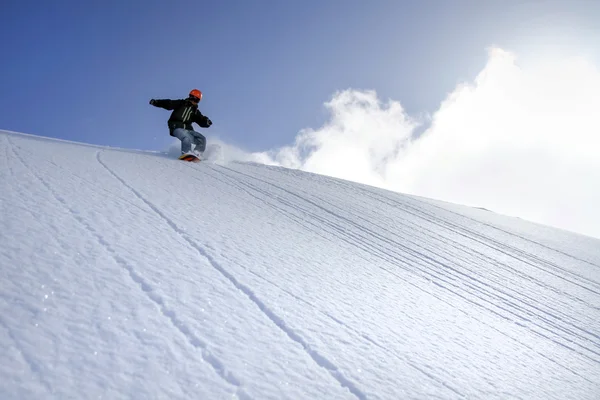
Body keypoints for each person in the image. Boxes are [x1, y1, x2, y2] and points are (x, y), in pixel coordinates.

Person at [149, 89, 213, 157]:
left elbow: (201, 120)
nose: (194, 101)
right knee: (186, 138)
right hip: (176, 127)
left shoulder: (195, 112)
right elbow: (169, 103)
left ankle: (197, 154)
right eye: (193, 99)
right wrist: (156, 102)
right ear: (190, 97)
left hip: (189, 130)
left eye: (197, 100)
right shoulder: (181, 103)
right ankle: (186, 154)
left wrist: (206, 122)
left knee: (202, 139)